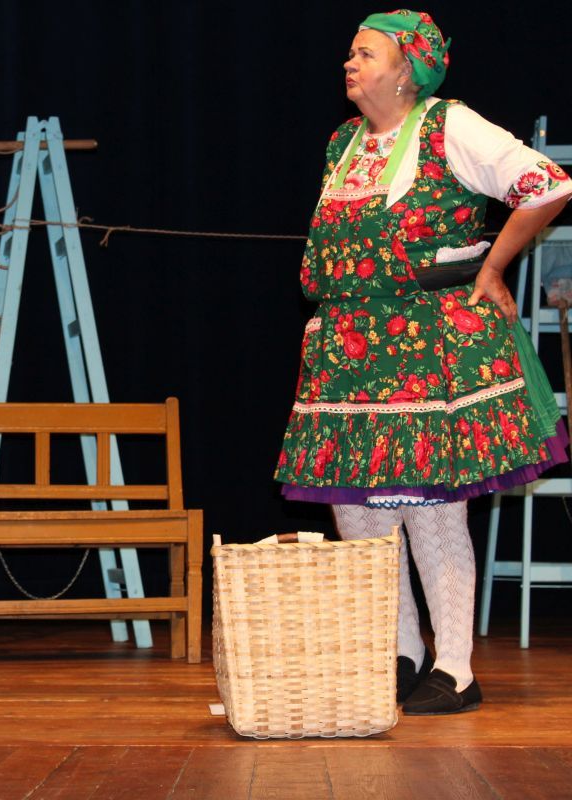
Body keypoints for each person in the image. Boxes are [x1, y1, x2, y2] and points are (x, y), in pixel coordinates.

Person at [274, 10, 571, 715]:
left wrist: (494, 267)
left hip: (426, 346)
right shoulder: (343, 142)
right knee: (358, 512)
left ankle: (456, 668)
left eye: (365, 53)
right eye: (349, 52)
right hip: (349, 350)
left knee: (432, 511)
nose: (349, 63)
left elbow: (548, 184)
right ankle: (402, 654)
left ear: (407, 68)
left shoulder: (449, 125)